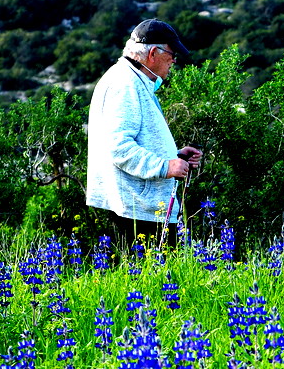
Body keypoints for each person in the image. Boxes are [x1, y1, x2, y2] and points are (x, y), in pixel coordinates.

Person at [86, 19, 203, 246]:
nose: (174, 60)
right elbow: (119, 148)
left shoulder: (133, 79)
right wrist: (165, 167)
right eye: (171, 53)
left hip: (143, 206)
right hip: (137, 209)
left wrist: (175, 157)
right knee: (154, 275)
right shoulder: (125, 84)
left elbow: (131, 140)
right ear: (152, 54)